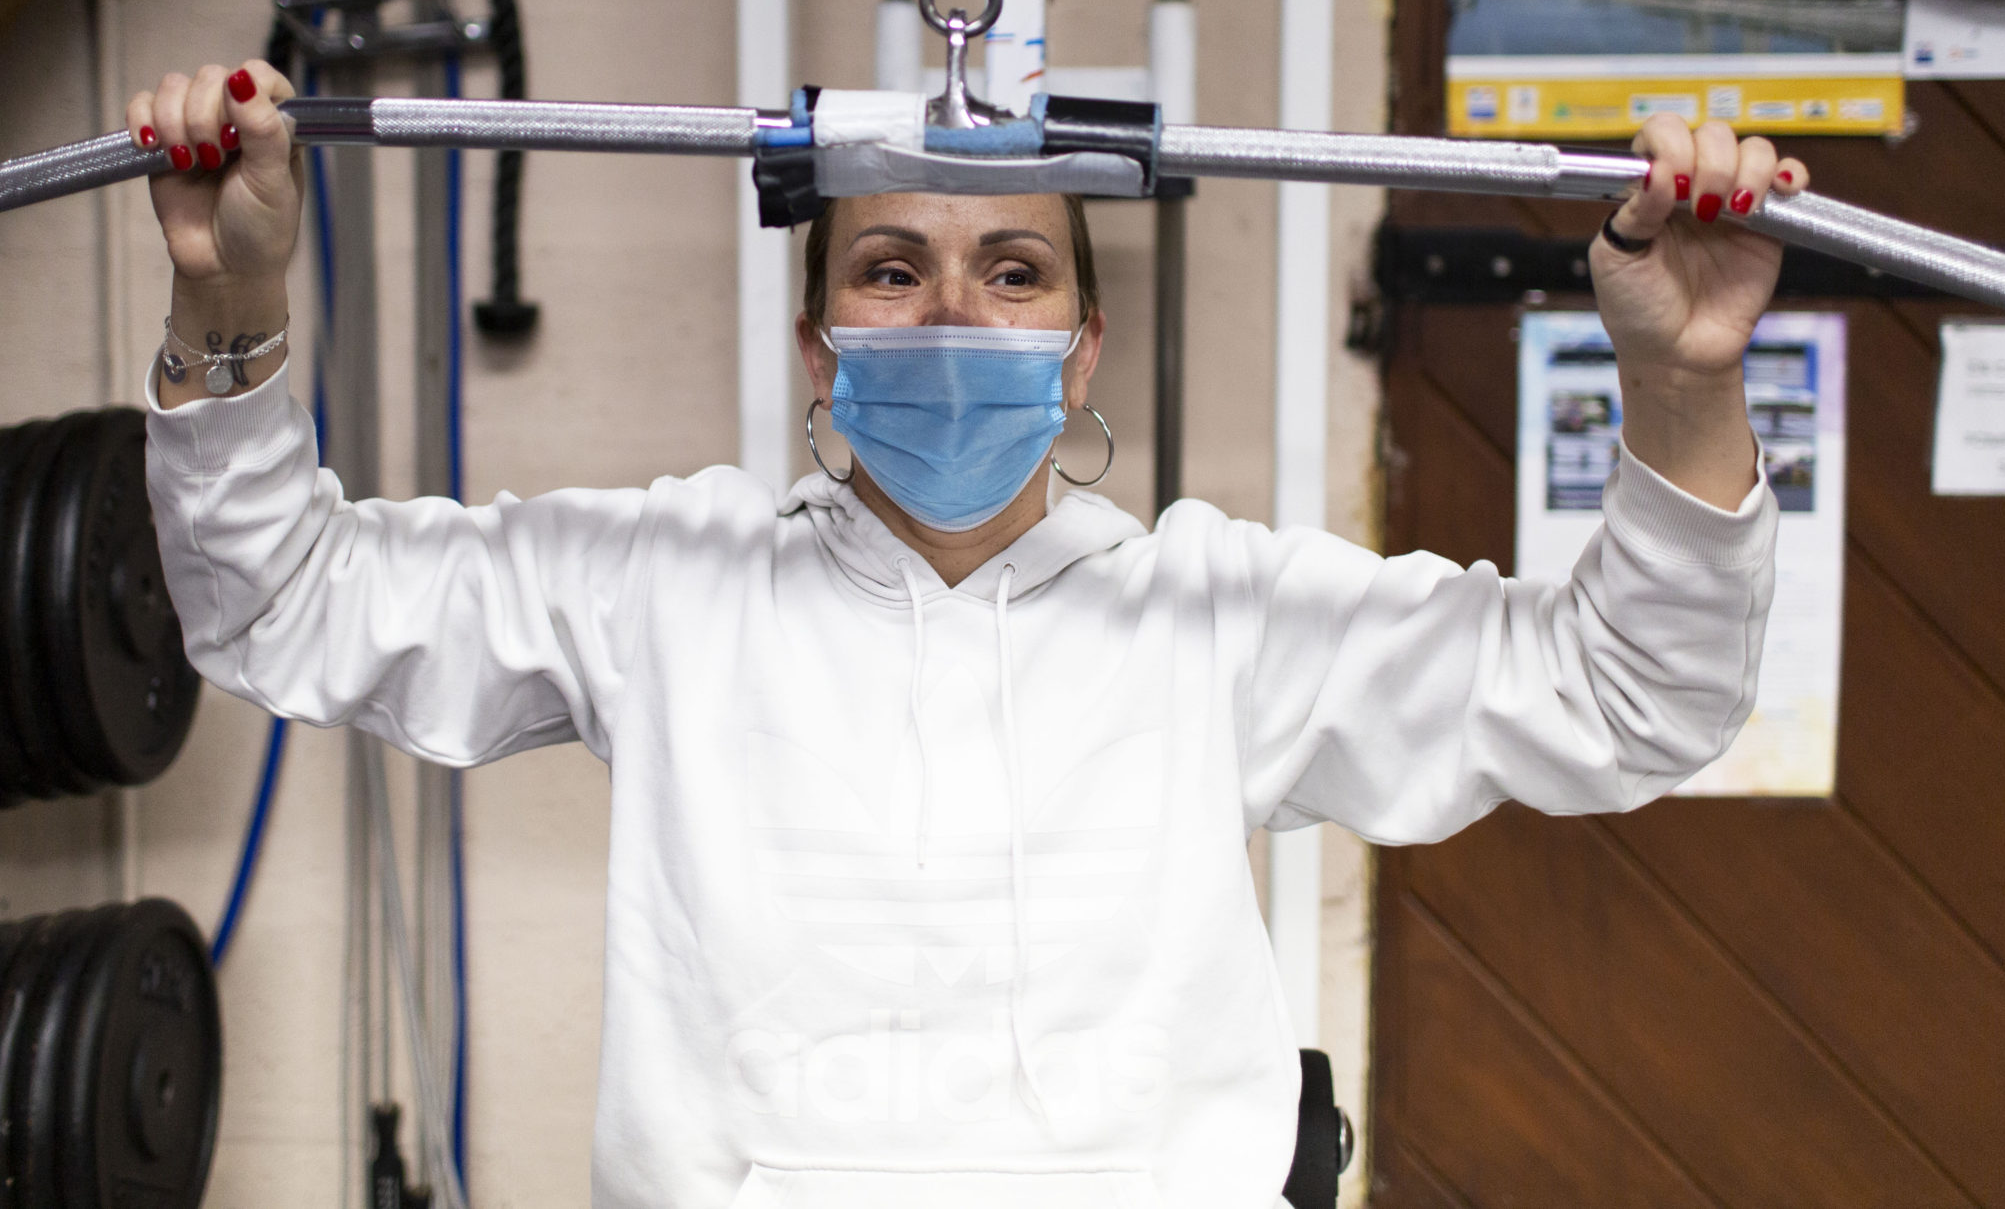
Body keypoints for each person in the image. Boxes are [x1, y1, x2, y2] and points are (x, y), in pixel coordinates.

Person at [133, 59, 1810, 1207]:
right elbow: (281, 602)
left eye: (1013, 270)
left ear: (1083, 350)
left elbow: (1626, 694)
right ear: (816, 345)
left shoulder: (1215, 616)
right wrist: (231, 303)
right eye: (890, 266)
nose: (950, 309)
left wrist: (1676, 376)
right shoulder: (662, 582)